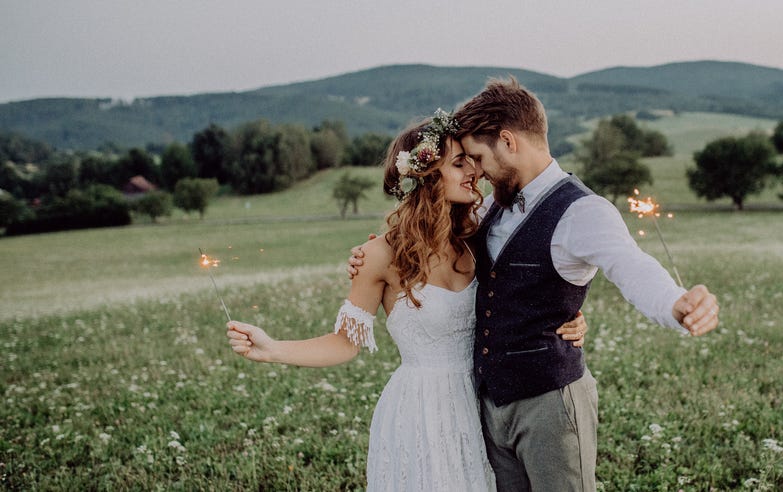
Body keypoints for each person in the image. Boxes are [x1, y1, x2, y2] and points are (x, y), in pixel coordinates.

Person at [351, 78, 719, 491]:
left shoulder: (583, 211)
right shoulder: (490, 206)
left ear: (508, 142)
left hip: (550, 403)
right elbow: (444, 243)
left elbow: (631, 265)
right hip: (487, 406)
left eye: (477, 156)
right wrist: (378, 255)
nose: (476, 171)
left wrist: (675, 304)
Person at [225, 109, 587, 492]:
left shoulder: (476, 240)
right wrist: (272, 349)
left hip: (479, 405)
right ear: (426, 174)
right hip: (419, 414)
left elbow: (521, 294)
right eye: (459, 163)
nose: (475, 172)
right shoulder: (380, 255)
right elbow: (344, 344)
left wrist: (571, 315)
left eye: (472, 161)